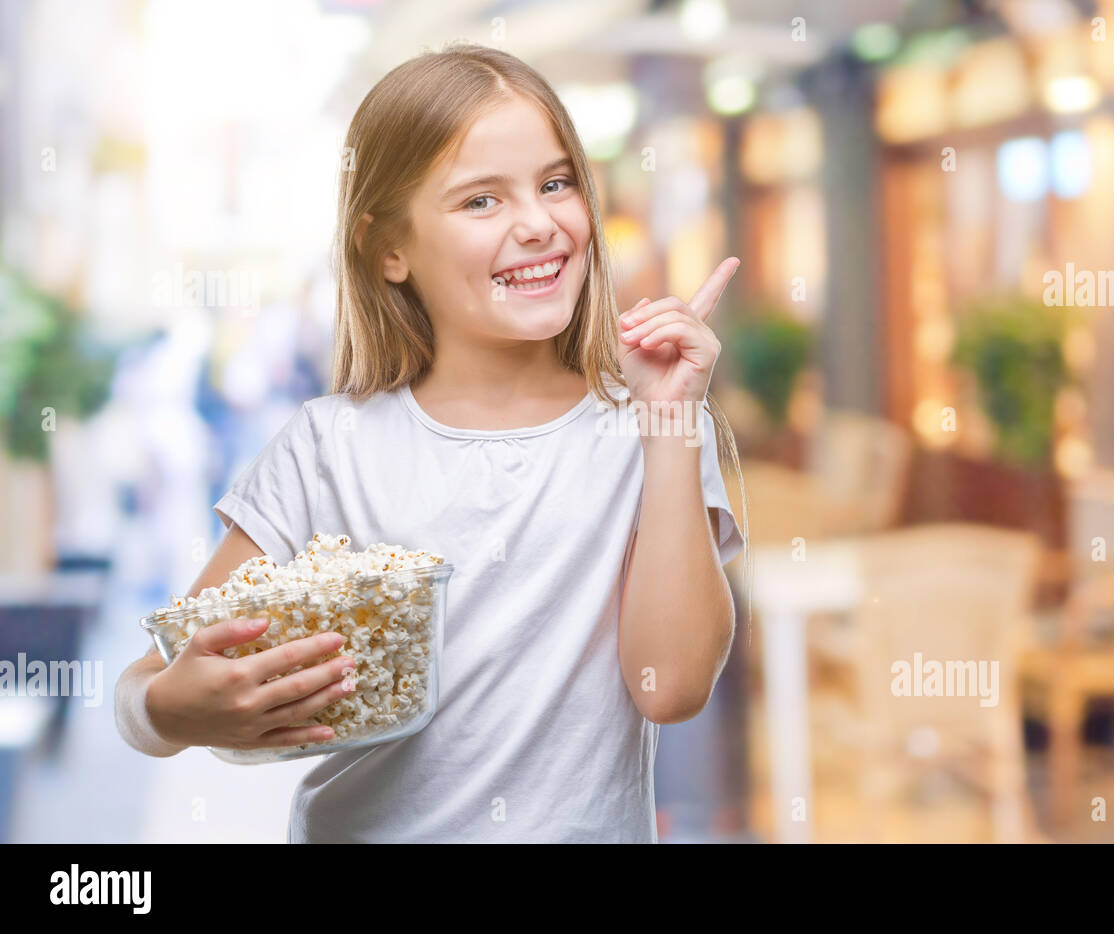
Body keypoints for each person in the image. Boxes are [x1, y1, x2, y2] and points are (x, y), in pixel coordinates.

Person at [113, 42, 749, 843]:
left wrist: (668, 424)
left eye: (556, 184)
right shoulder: (328, 448)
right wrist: (171, 710)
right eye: (481, 201)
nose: (538, 224)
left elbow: (673, 688)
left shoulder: (646, 428)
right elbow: (147, 687)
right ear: (390, 249)